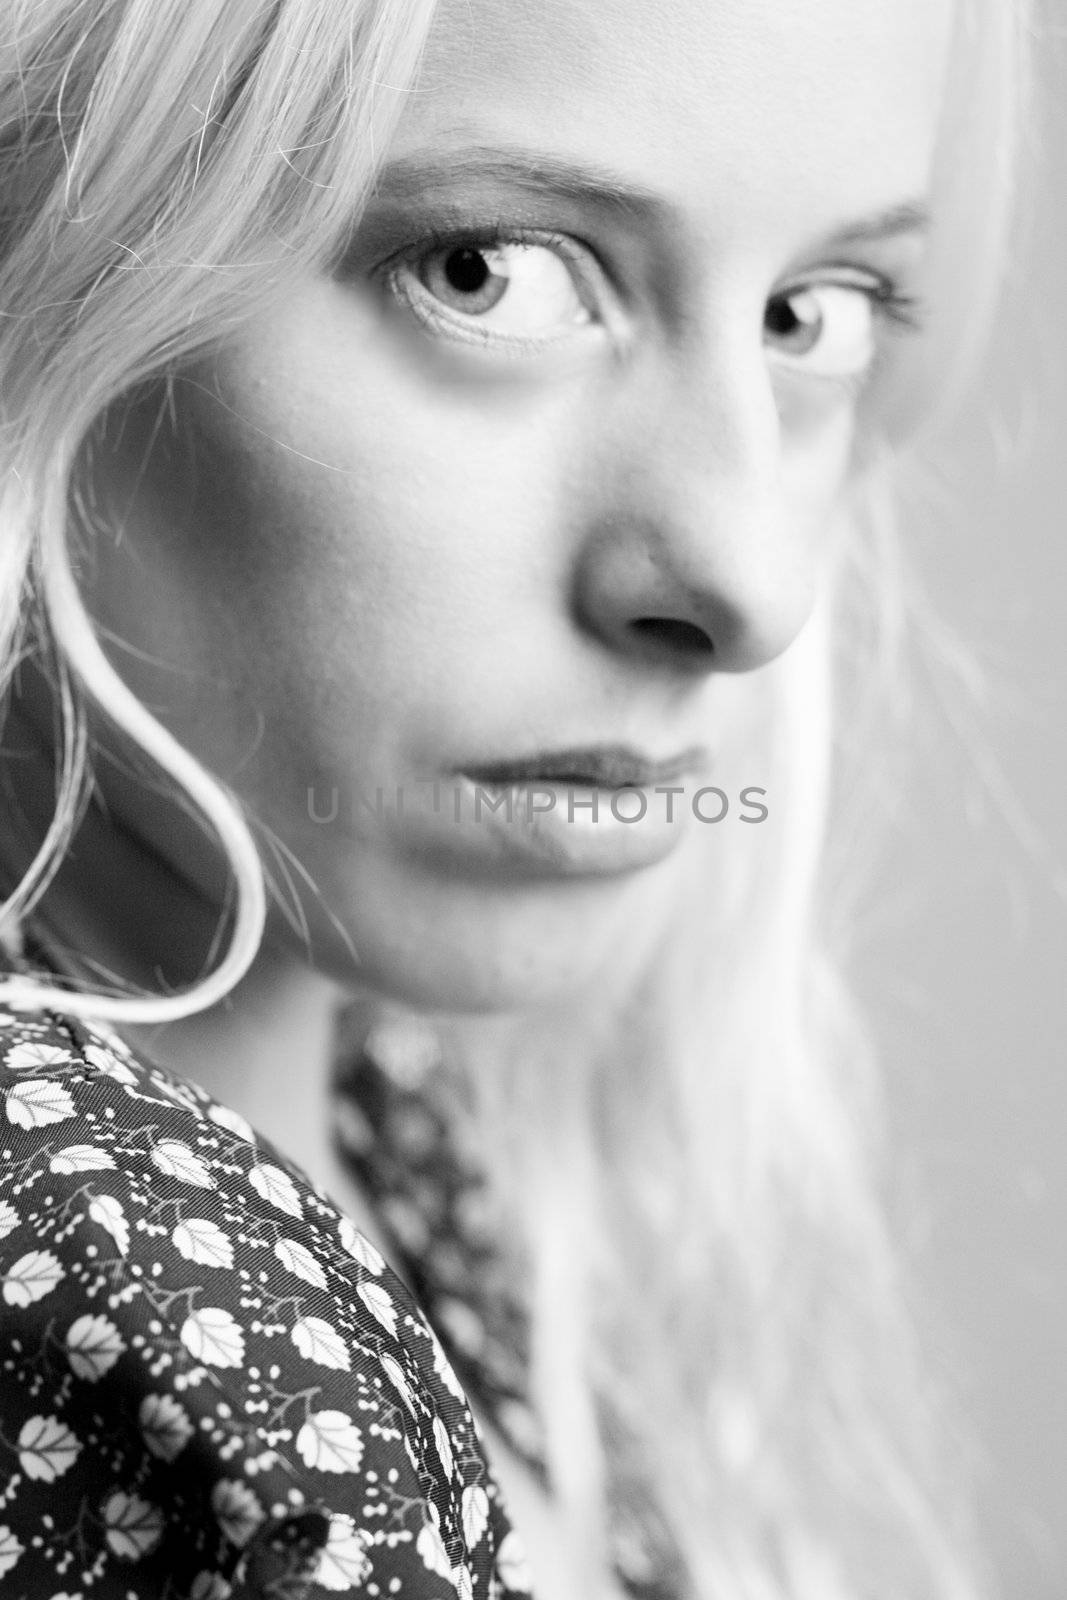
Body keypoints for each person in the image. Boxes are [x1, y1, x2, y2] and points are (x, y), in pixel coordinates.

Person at [0, 0, 1031, 1596]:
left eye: (813, 312)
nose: (746, 584)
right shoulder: (115, 1300)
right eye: (489, 269)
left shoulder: (377, 1128)